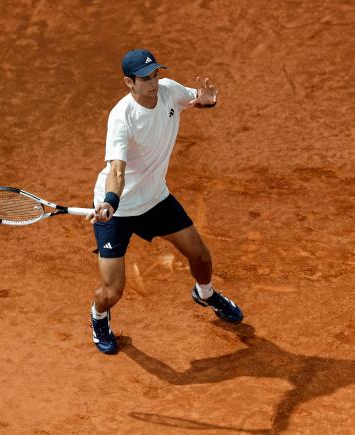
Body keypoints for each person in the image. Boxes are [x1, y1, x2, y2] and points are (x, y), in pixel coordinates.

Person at [85, 49, 244, 355]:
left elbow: (196, 97)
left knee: (199, 255)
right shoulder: (121, 118)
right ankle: (99, 317)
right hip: (118, 210)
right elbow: (116, 170)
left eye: (155, 74)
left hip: (156, 199)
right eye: (145, 78)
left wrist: (208, 100)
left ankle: (205, 294)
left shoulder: (169, 91)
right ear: (128, 83)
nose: (153, 82)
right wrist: (110, 202)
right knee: (111, 290)